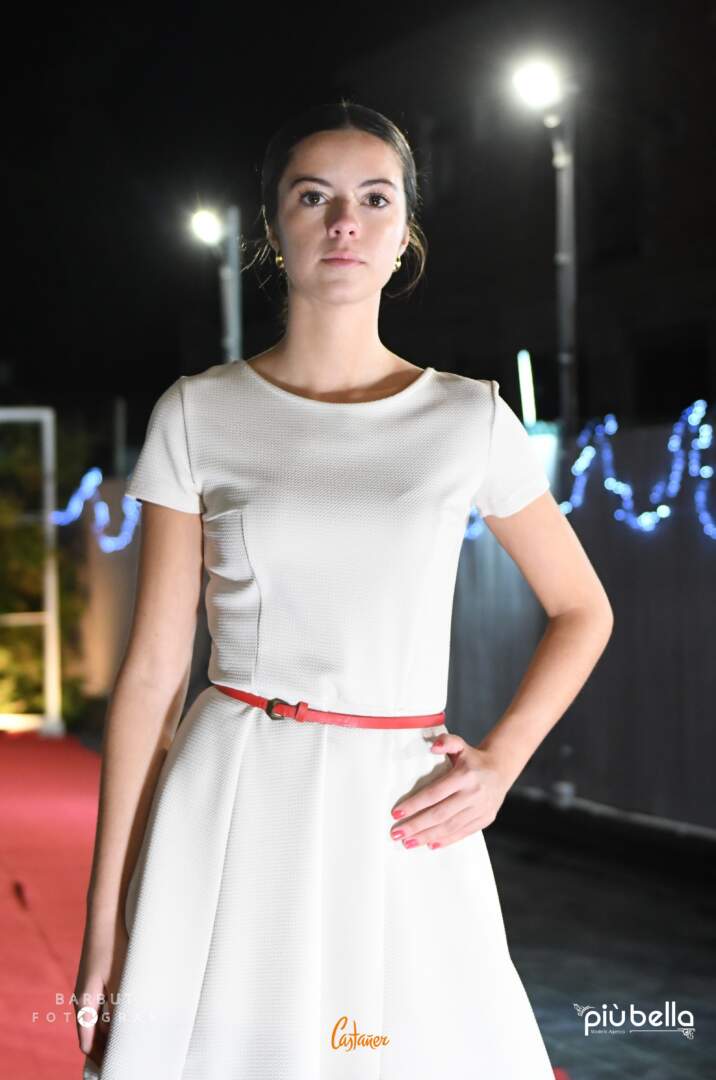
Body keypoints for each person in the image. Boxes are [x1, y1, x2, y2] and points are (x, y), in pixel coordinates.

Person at [74, 100, 614, 1079]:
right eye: (312, 196)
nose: (343, 223)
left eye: (373, 199)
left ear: (404, 233)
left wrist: (500, 764)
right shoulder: (197, 413)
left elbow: (583, 609)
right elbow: (152, 674)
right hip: (230, 797)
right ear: (271, 227)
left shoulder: (467, 418)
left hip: (400, 804)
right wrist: (105, 922)